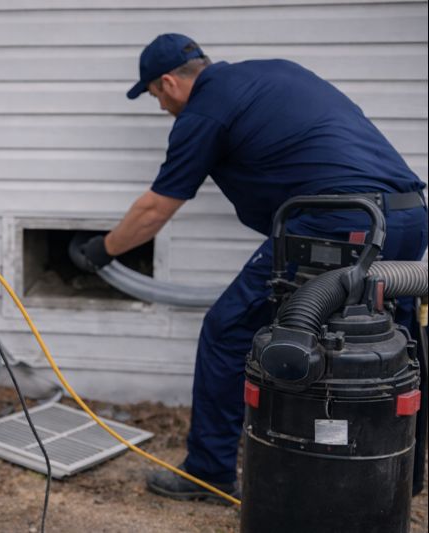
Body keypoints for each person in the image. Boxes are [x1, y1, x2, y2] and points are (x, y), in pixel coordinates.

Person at [74, 33, 428, 502]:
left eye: (156, 96)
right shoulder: (273, 71)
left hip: (338, 222)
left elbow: (156, 209)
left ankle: (209, 471)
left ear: (168, 82)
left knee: (227, 331)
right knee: (394, 347)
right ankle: (401, 474)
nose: (161, 107)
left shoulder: (203, 109)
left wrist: (104, 250)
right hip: (408, 215)